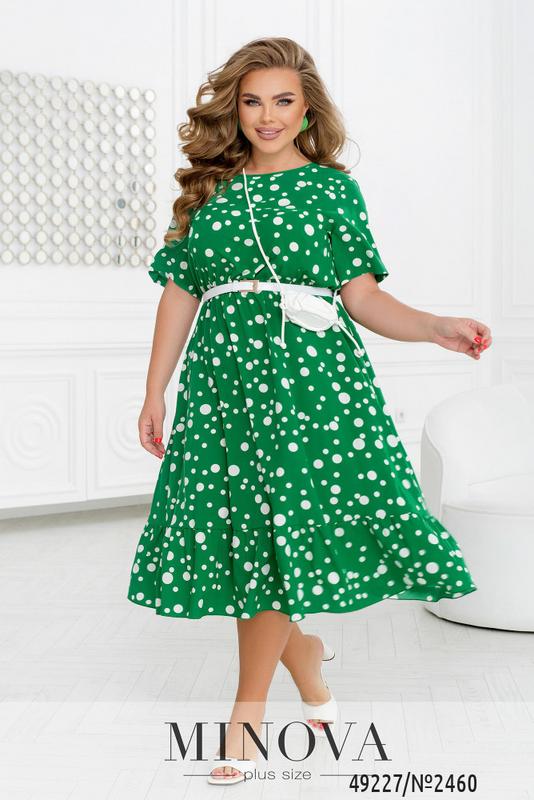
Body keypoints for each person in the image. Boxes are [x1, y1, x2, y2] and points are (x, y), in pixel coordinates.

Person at [127, 37, 489, 785]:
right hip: (224, 385)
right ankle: (307, 658)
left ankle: (246, 714)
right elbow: (181, 294)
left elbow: (362, 297)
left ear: (307, 110)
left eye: (283, 101)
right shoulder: (209, 192)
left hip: (311, 387)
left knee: (276, 534)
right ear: (235, 109)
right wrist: (155, 388)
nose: (268, 116)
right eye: (253, 101)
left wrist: (434, 326)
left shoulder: (331, 190)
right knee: (248, 538)